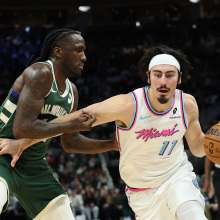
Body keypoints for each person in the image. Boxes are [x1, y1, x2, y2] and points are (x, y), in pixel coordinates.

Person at [0, 45, 208, 219]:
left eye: (170, 75)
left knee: (193, 214)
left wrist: (213, 143)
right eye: (158, 75)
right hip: (142, 193)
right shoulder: (127, 105)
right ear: (148, 77)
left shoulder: (187, 104)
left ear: (179, 79)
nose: (163, 81)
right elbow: (72, 120)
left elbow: (198, 148)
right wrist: (23, 142)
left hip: (176, 176)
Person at [0, 28, 118, 220]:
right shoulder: (40, 73)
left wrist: (111, 144)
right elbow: (22, 128)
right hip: (2, 154)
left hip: (34, 165)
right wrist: (71, 124)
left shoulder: (72, 92)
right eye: (78, 50)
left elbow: (70, 142)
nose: (84, 57)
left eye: (84, 51)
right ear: (58, 52)